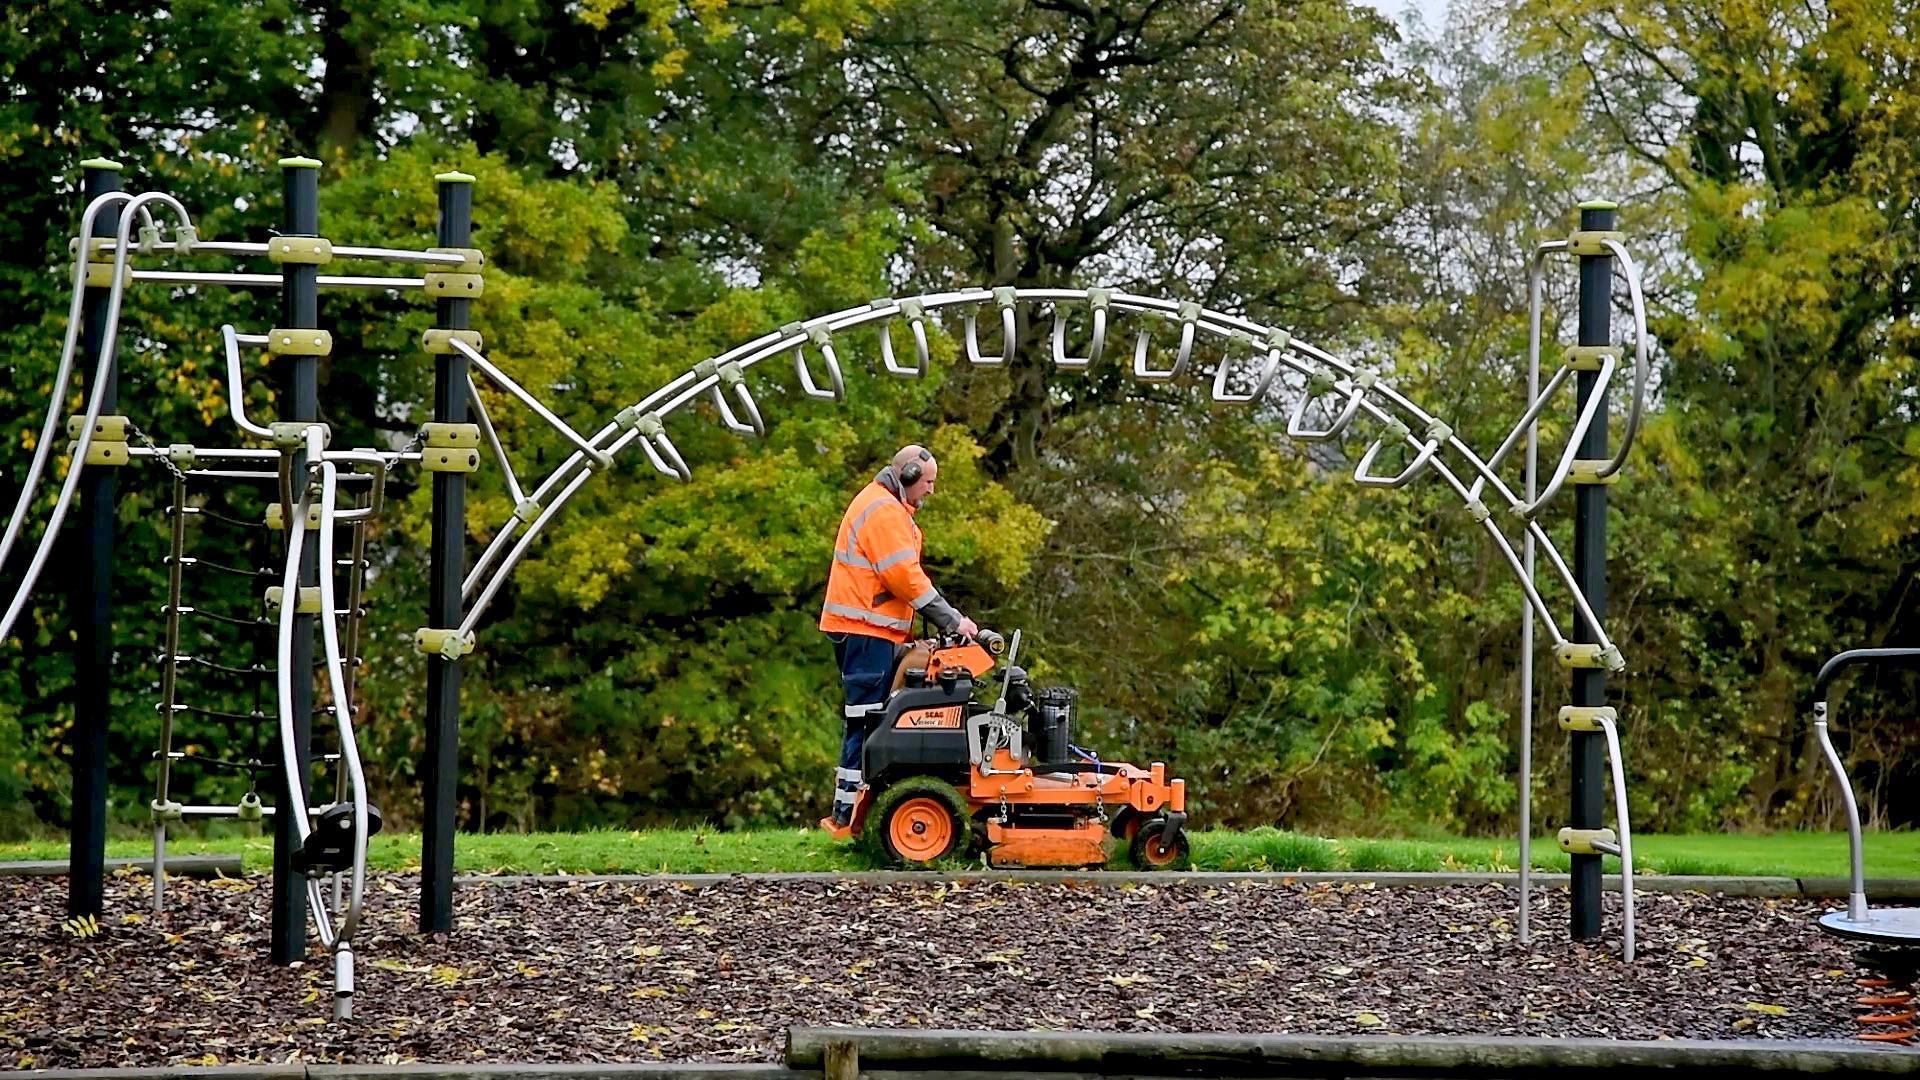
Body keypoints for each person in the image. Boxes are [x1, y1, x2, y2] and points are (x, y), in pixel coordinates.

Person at [818, 444, 979, 832]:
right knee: (867, 720)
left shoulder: (884, 505)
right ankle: (848, 815)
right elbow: (905, 579)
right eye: (928, 482)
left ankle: (852, 810)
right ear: (907, 477)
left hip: (867, 631)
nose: (931, 490)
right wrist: (952, 621)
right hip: (865, 632)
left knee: (866, 719)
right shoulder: (885, 512)